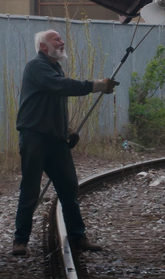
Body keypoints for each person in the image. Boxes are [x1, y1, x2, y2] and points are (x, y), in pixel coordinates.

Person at [12, 29, 117, 257]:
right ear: (43, 46)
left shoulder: (54, 67)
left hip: (54, 139)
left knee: (69, 188)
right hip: (34, 137)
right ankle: (20, 241)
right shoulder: (36, 66)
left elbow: (50, 104)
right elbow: (61, 87)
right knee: (30, 188)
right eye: (56, 39)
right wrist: (96, 85)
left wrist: (65, 129)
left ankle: (79, 237)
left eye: (60, 39)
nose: (62, 42)